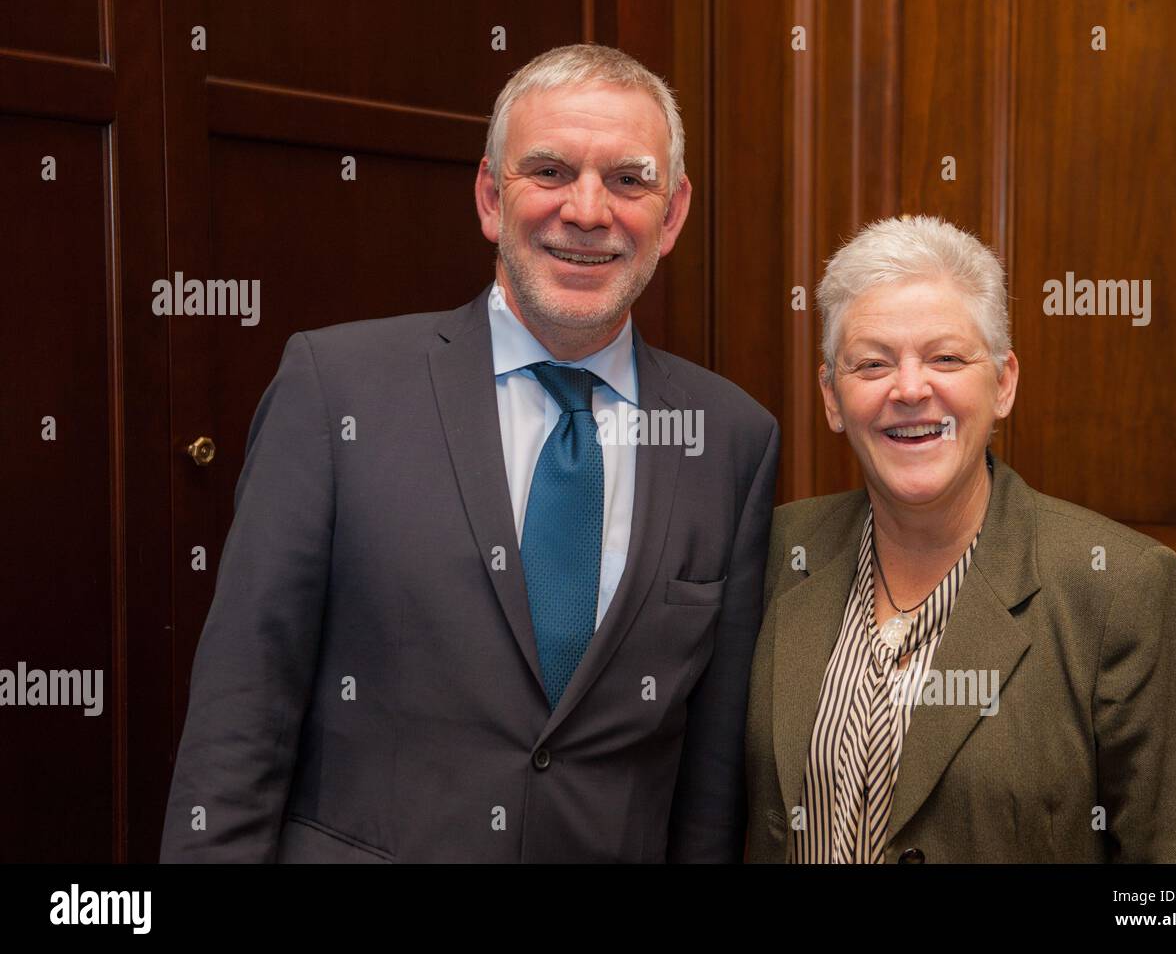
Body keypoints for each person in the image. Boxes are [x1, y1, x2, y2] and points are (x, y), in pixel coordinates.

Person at [161, 43, 778, 863]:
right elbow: (242, 714)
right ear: (491, 197)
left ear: (671, 216)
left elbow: (708, 788)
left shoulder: (730, 437)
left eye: (629, 180)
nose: (589, 211)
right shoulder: (337, 389)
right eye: (550, 171)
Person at [745, 215, 1176, 863]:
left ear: (1004, 381)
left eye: (946, 357)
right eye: (872, 363)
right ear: (832, 396)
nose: (910, 389)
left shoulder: (1119, 588)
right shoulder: (776, 552)